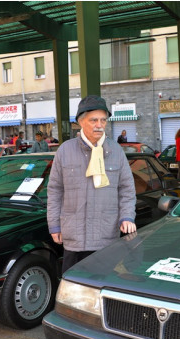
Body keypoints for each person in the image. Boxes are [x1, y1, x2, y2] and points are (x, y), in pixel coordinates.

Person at [47, 94, 136, 274]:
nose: (99, 125)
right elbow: (55, 191)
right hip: (74, 236)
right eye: (93, 120)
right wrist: (54, 225)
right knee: (73, 290)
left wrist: (127, 216)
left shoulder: (116, 151)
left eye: (103, 120)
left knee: (101, 288)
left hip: (106, 236)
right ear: (81, 122)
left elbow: (126, 188)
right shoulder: (65, 151)